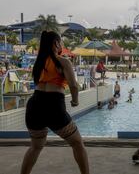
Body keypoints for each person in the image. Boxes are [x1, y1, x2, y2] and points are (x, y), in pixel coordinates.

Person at [21, 31, 89, 174]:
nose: (61, 45)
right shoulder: (63, 61)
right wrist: (75, 101)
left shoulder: (38, 63)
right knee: (77, 144)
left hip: (34, 106)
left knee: (35, 147)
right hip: (53, 106)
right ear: (56, 43)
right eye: (60, 42)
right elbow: (73, 85)